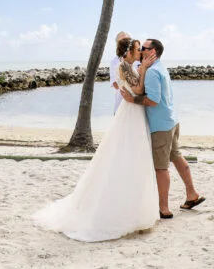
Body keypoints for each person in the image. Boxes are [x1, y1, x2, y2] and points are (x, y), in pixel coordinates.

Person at [34, 38, 158, 242]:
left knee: (134, 157)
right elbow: (137, 90)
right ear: (128, 52)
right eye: (137, 49)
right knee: (126, 154)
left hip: (134, 113)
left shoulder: (127, 65)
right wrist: (144, 68)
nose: (139, 53)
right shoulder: (124, 66)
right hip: (130, 114)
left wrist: (142, 68)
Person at [121, 38, 204, 218]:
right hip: (171, 120)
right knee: (176, 156)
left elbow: (153, 100)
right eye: (140, 48)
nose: (142, 50)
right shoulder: (160, 67)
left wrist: (132, 99)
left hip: (161, 125)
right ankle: (192, 193)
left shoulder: (152, 72)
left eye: (145, 48)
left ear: (153, 52)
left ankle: (163, 208)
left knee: (161, 167)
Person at [109, 31, 130, 114]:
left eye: (128, 40)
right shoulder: (115, 61)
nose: (126, 43)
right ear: (118, 44)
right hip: (121, 107)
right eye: (123, 41)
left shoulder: (139, 58)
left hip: (139, 106)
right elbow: (116, 85)